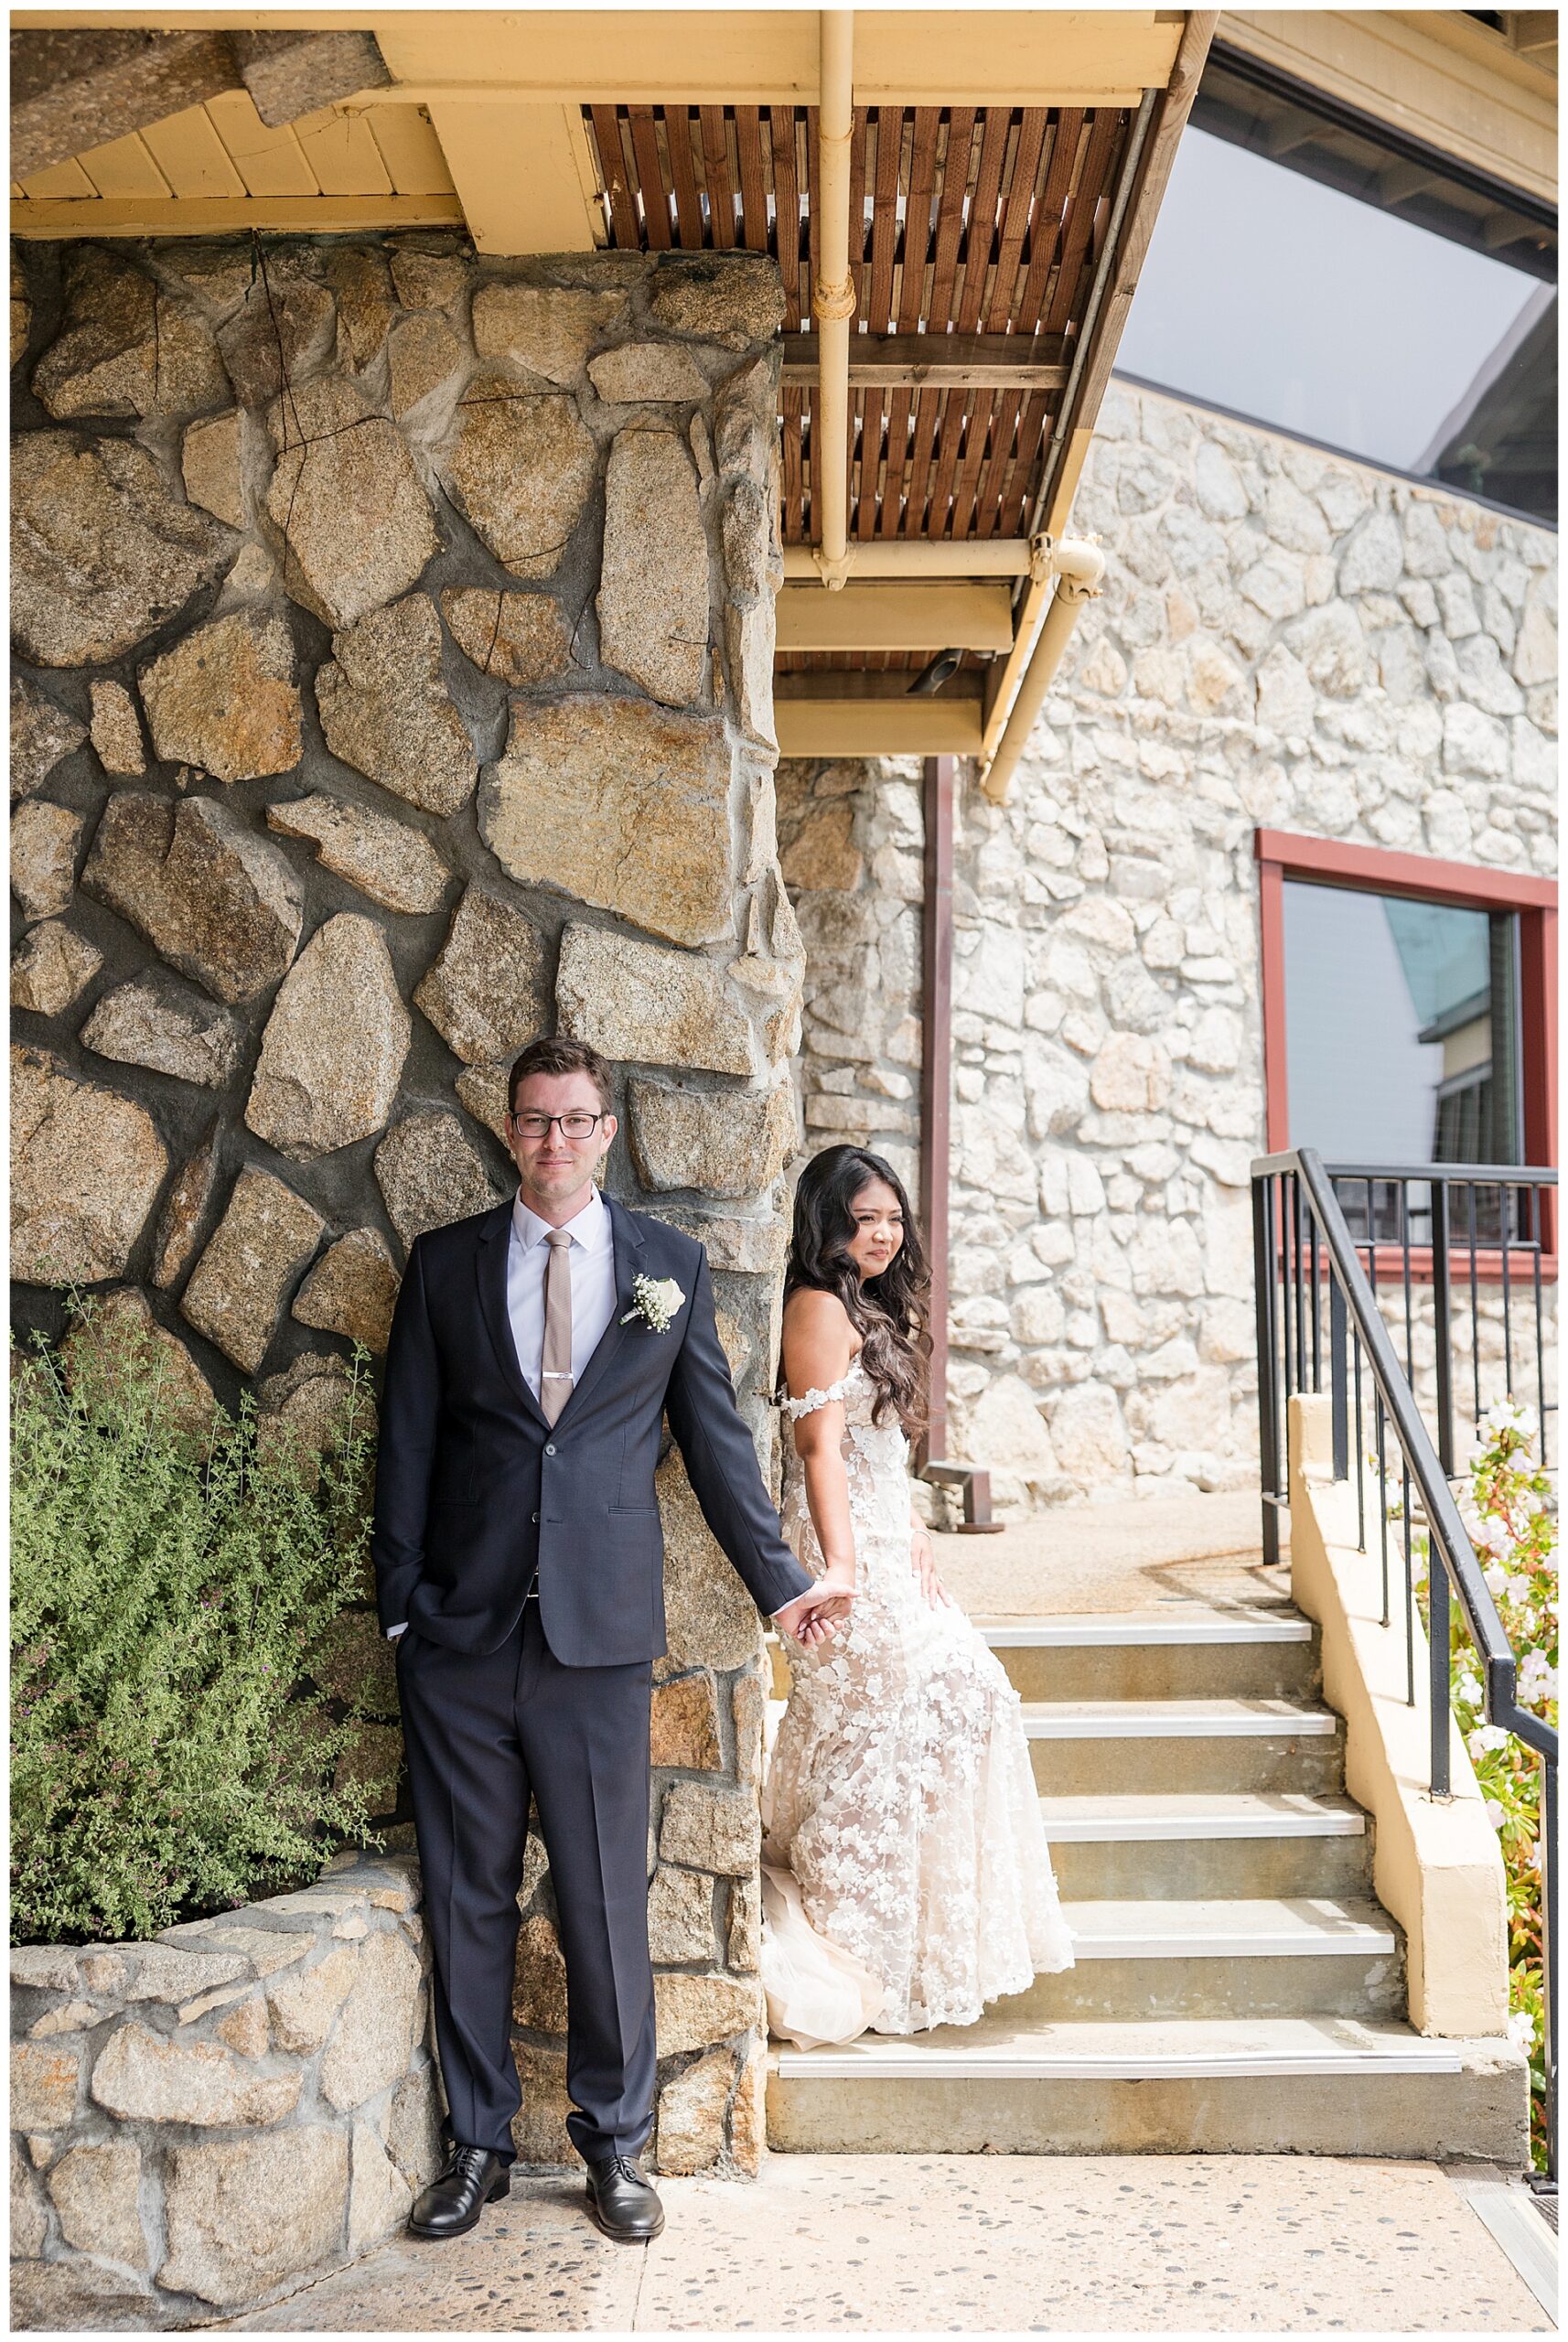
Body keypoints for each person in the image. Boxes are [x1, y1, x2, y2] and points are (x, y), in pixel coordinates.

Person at [372, 1037, 843, 2245]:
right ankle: (473, 2145)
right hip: (462, 1642)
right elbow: (408, 1444)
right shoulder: (442, 1267)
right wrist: (400, 1604)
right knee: (469, 1900)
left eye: (576, 1121)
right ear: (508, 1127)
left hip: (595, 1646)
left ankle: (612, 2150)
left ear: (607, 1131)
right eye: (535, 1121)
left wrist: (783, 1588)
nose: (555, 1142)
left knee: (599, 1906)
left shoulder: (666, 1269)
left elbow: (721, 1453)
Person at [762, 1144, 1076, 2044]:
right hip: (840, 1550)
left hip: (884, 1541)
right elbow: (818, 1450)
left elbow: (878, 1453)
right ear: (828, 1223)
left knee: (956, 1702)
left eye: (893, 1219)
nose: (883, 1234)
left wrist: (911, 1532)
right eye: (864, 1220)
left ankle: (897, 1938)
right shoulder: (817, 1306)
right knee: (888, 1729)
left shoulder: (866, 1306)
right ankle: (852, 1936)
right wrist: (845, 1565)